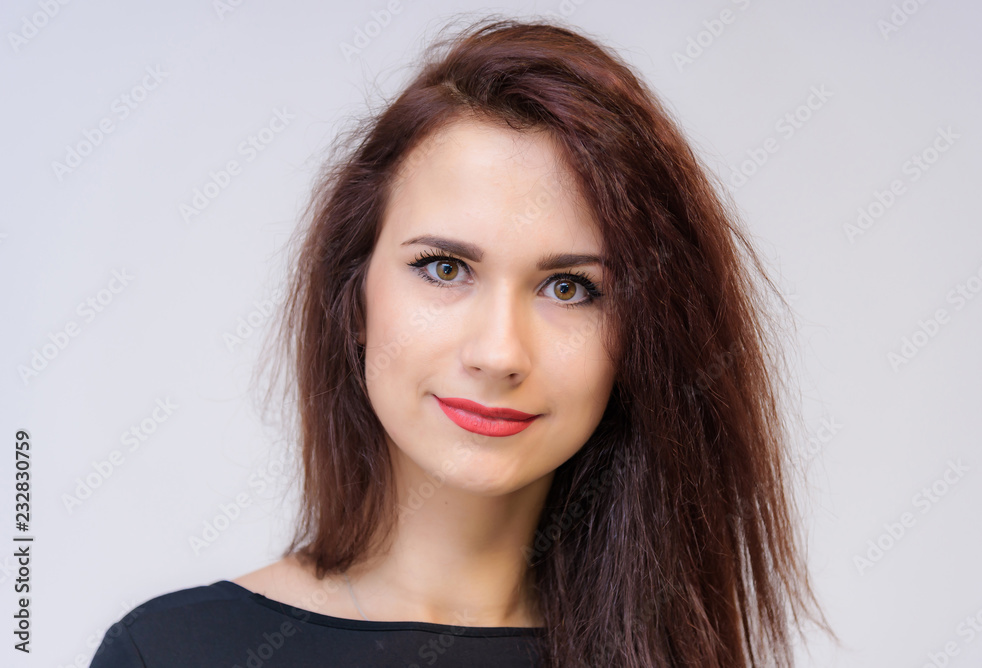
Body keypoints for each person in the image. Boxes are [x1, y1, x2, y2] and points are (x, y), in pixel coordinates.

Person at [90, 16, 834, 668]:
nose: (500, 353)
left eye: (569, 287)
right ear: (354, 299)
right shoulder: (170, 653)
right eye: (444, 269)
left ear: (642, 337)